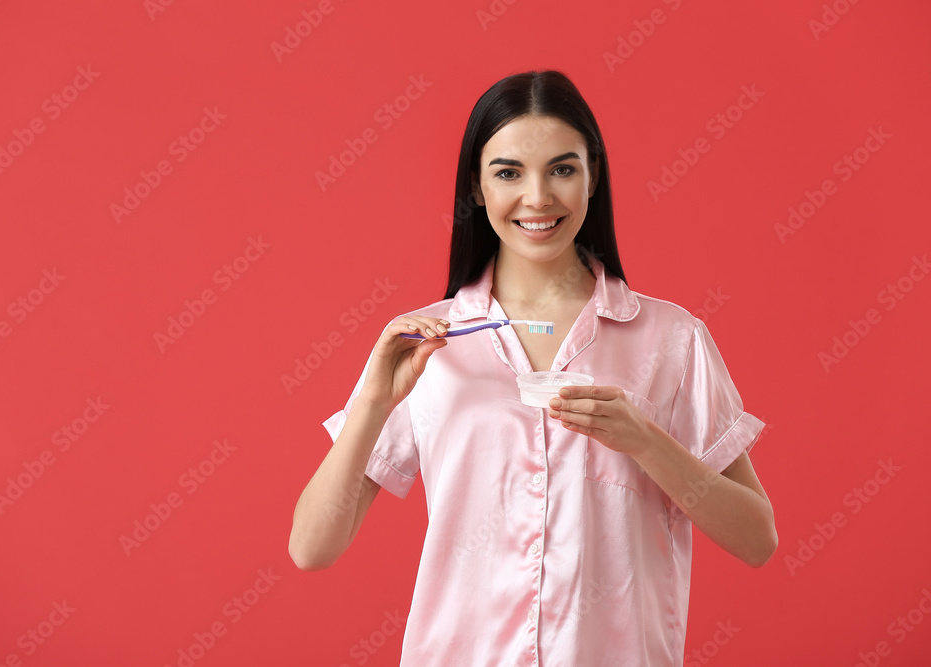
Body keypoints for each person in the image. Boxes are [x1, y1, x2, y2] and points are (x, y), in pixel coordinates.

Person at [289, 69, 777, 666]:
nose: (539, 197)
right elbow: (312, 548)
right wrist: (372, 401)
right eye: (509, 172)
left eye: (563, 169)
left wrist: (644, 439)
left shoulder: (671, 339)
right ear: (477, 187)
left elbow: (757, 539)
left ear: (592, 177)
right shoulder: (422, 346)